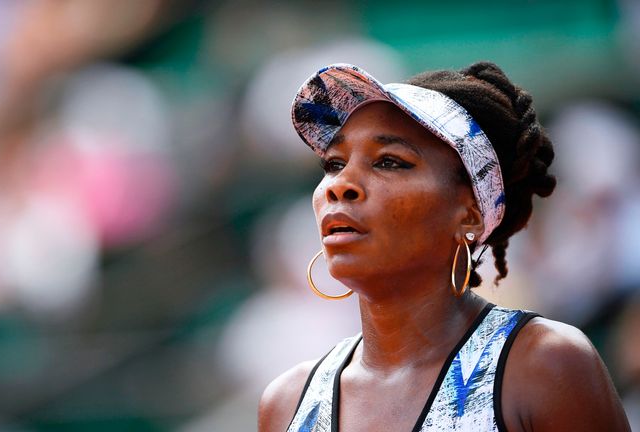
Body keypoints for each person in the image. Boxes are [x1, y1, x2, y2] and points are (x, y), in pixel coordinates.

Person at [258, 62, 630, 431]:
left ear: (470, 213)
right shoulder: (287, 402)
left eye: (389, 162)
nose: (341, 184)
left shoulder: (545, 364)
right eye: (334, 163)